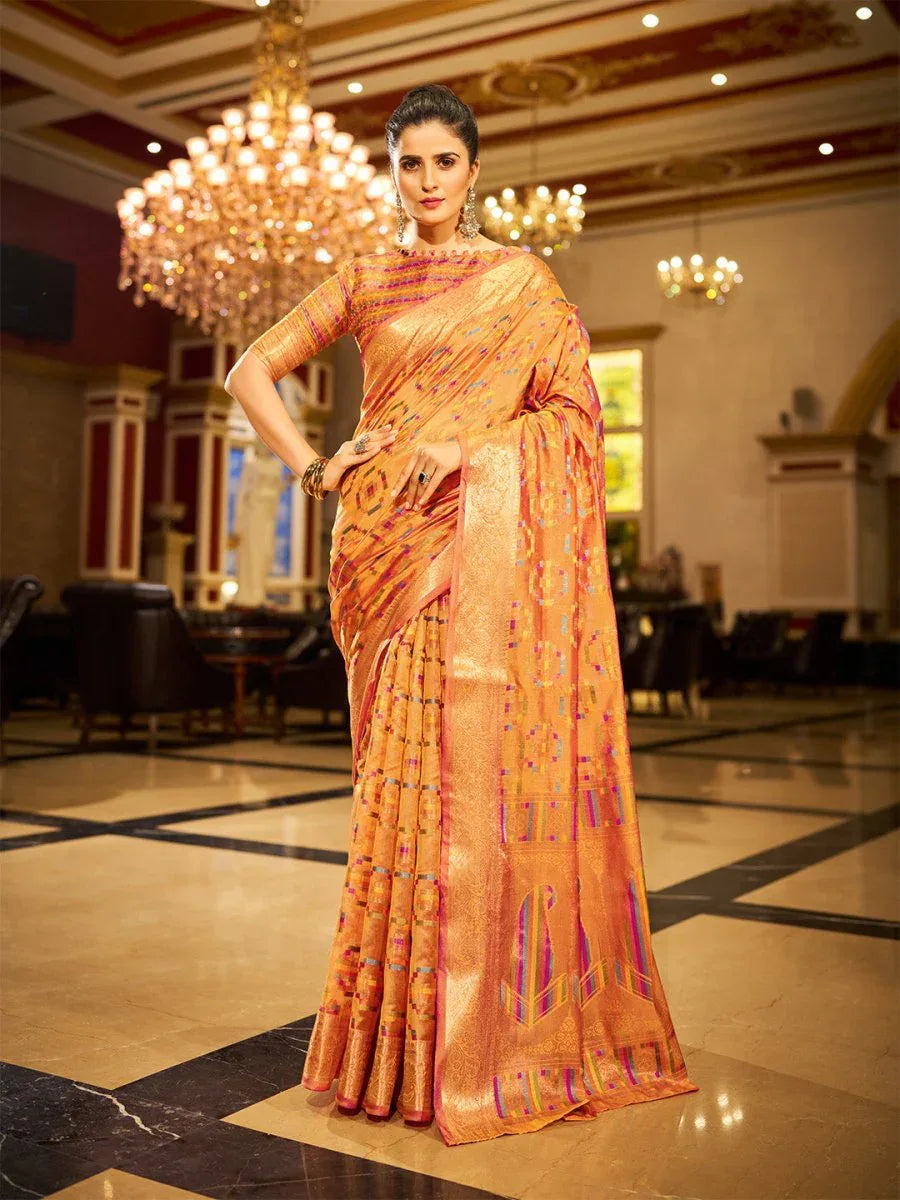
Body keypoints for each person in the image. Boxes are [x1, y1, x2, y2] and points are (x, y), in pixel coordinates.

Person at [224, 83, 699, 1148]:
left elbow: (575, 421)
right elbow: (249, 370)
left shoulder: (523, 282)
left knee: (466, 794)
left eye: (445, 161)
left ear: (474, 170)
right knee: (397, 802)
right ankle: (393, 1051)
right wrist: (315, 469)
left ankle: (474, 1043)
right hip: (383, 554)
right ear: (392, 172)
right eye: (410, 162)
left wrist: (470, 451)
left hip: (476, 555)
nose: (428, 180)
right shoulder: (364, 278)